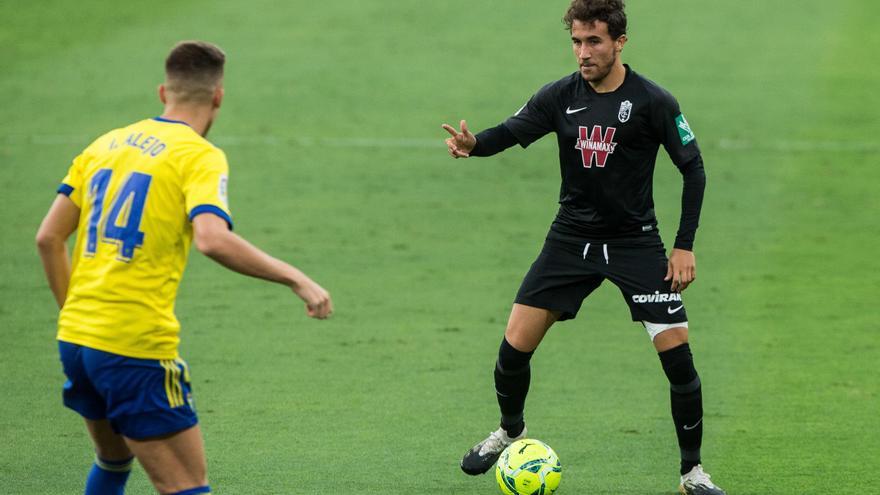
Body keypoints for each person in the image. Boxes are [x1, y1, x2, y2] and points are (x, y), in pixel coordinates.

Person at [442, 1, 725, 493]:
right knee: (513, 348)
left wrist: (683, 246)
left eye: (593, 41)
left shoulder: (654, 101)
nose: (583, 52)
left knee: (679, 360)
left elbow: (693, 168)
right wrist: (474, 146)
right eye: (576, 41)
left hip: (636, 243)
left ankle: (692, 473)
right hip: (570, 240)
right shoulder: (559, 96)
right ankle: (511, 432)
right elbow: (511, 132)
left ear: (619, 42)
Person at [36, 40, 333, 495]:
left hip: (76, 339)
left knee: (113, 462)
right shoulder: (197, 154)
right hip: (133, 344)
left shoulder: (105, 144)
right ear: (218, 96)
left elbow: (49, 237)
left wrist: (74, 312)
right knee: (187, 486)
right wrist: (296, 277)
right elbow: (212, 239)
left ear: (162, 93)